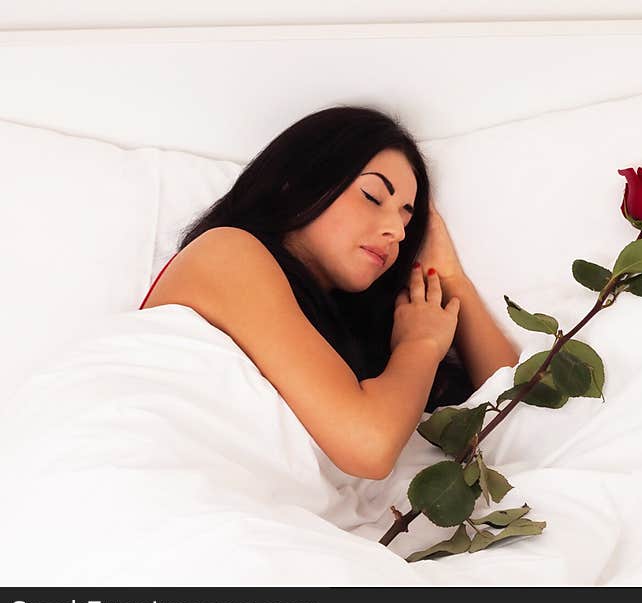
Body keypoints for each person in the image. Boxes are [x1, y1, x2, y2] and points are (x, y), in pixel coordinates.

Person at [139, 105, 520, 480]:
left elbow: (521, 413)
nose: (398, 231)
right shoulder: (226, 252)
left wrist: (449, 275)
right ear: (295, 182)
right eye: (372, 197)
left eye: (408, 216)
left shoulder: (351, 342)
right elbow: (369, 445)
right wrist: (419, 344)